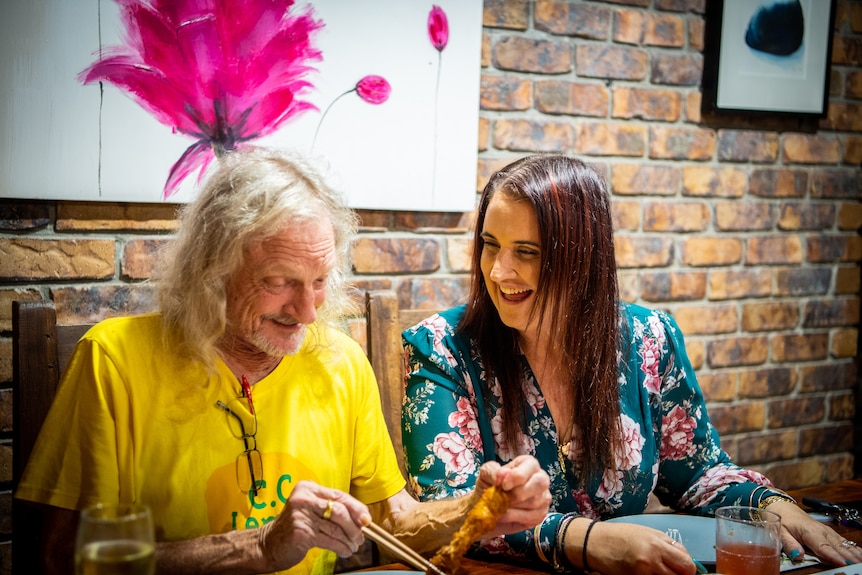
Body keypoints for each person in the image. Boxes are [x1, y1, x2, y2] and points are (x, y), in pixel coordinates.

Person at [15, 147, 552, 575]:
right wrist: (259, 548)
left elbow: (395, 522)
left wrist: (480, 511)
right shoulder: (114, 361)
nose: (306, 310)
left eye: (319, 282)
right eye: (278, 283)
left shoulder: (339, 362)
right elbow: (64, 561)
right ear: (212, 271)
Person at [401, 154, 862, 575]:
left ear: (582, 259)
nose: (499, 271)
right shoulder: (441, 349)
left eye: (527, 251)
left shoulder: (649, 338)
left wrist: (772, 505)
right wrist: (587, 540)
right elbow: (449, 513)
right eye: (490, 244)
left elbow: (699, 472)